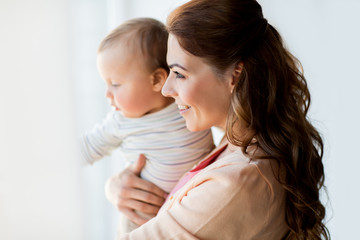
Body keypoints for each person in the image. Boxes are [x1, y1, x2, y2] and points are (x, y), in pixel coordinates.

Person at [108, 0, 331, 239]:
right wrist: (118, 187)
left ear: (235, 76)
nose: (166, 89)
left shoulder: (238, 182)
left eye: (180, 74)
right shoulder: (235, 147)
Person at [80, 18, 214, 234]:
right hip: (139, 218)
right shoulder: (120, 122)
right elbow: (85, 148)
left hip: (181, 215)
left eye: (115, 84)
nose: (107, 94)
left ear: (157, 81)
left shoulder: (186, 106)